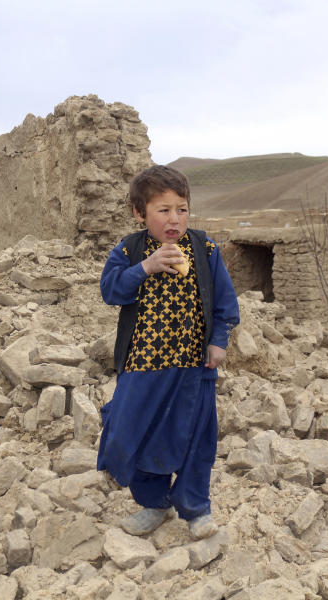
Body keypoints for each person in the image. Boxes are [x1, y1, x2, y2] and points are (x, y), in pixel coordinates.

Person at [97, 164, 240, 540]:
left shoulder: (205, 249)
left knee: (195, 437)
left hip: (194, 366)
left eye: (182, 208)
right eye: (163, 210)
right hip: (143, 365)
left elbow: (225, 303)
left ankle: (196, 509)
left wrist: (218, 341)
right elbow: (111, 291)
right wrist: (145, 267)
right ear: (139, 213)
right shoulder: (129, 250)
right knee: (135, 433)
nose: (174, 219)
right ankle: (154, 503)